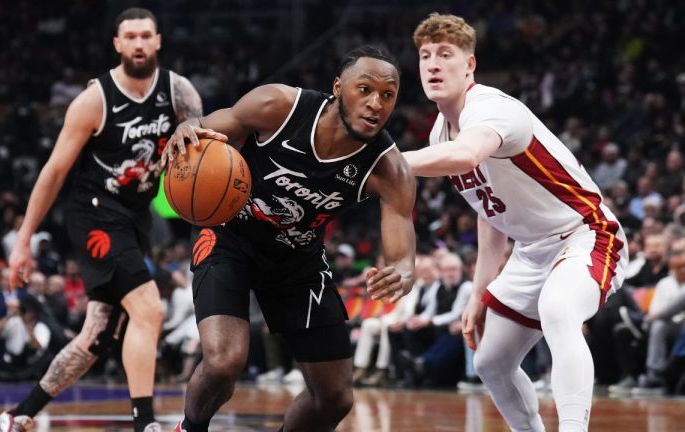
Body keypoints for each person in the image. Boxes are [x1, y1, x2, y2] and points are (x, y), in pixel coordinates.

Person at [393, 13, 628, 432]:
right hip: (531, 251)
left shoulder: (493, 109)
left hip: (585, 234)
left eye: (445, 54)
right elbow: (490, 215)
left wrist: (377, 165)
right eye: (425, 55)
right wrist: (479, 292)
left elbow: (467, 155)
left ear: (469, 66)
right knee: (489, 361)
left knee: (558, 309)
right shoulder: (437, 137)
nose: (432, 64)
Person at [163, 45, 416, 432]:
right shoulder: (280, 106)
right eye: (364, 89)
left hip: (297, 259)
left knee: (335, 398)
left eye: (387, 95)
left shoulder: (389, 168)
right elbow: (207, 126)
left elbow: (403, 255)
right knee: (224, 361)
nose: (375, 104)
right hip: (231, 235)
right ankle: (189, 428)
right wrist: (188, 126)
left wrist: (402, 272)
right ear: (337, 87)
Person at [0, 7, 209, 432]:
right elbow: (53, 172)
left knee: (96, 336)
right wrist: (22, 241)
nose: (139, 43)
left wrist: (196, 139)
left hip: (136, 216)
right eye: (131, 36)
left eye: (146, 35)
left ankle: (18, 416)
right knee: (148, 308)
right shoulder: (94, 100)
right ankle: (146, 423)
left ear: (158, 40)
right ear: (117, 44)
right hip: (93, 214)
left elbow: (206, 135)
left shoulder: (178, 91)